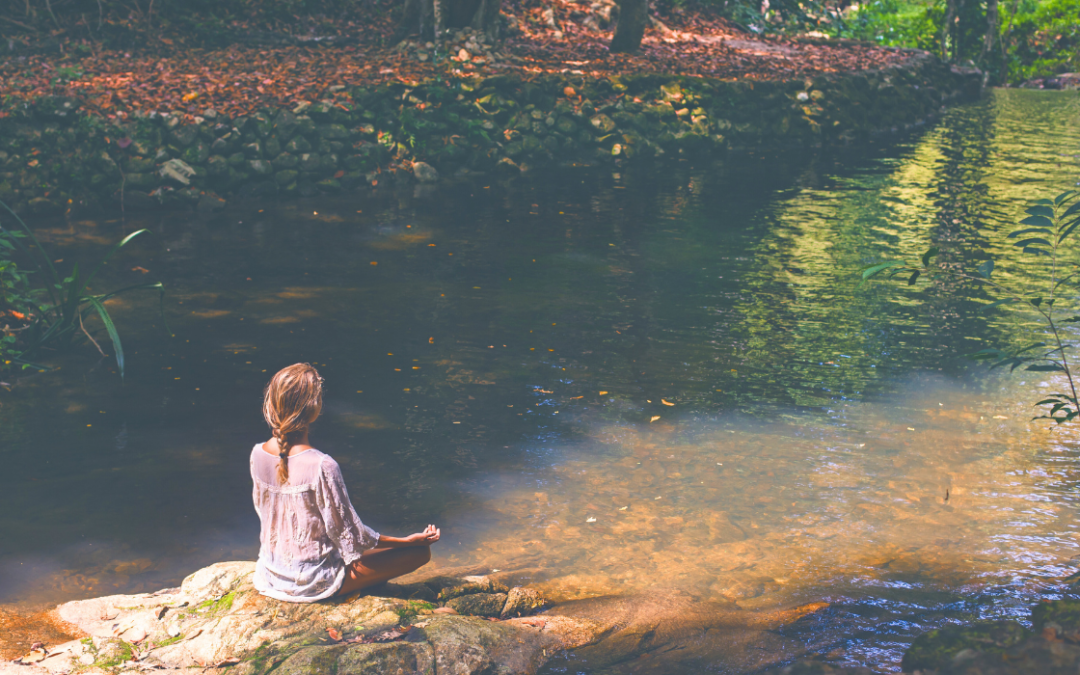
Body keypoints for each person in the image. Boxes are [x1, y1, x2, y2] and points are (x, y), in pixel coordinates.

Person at [250, 363, 439, 602]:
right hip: (312, 581)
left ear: (272, 404)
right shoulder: (322, 465)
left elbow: (268, 515)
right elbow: (352, 535)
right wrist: (406, 541)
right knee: (419, 553)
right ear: (315, 408)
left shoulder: (258, 454)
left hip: (271, 574)